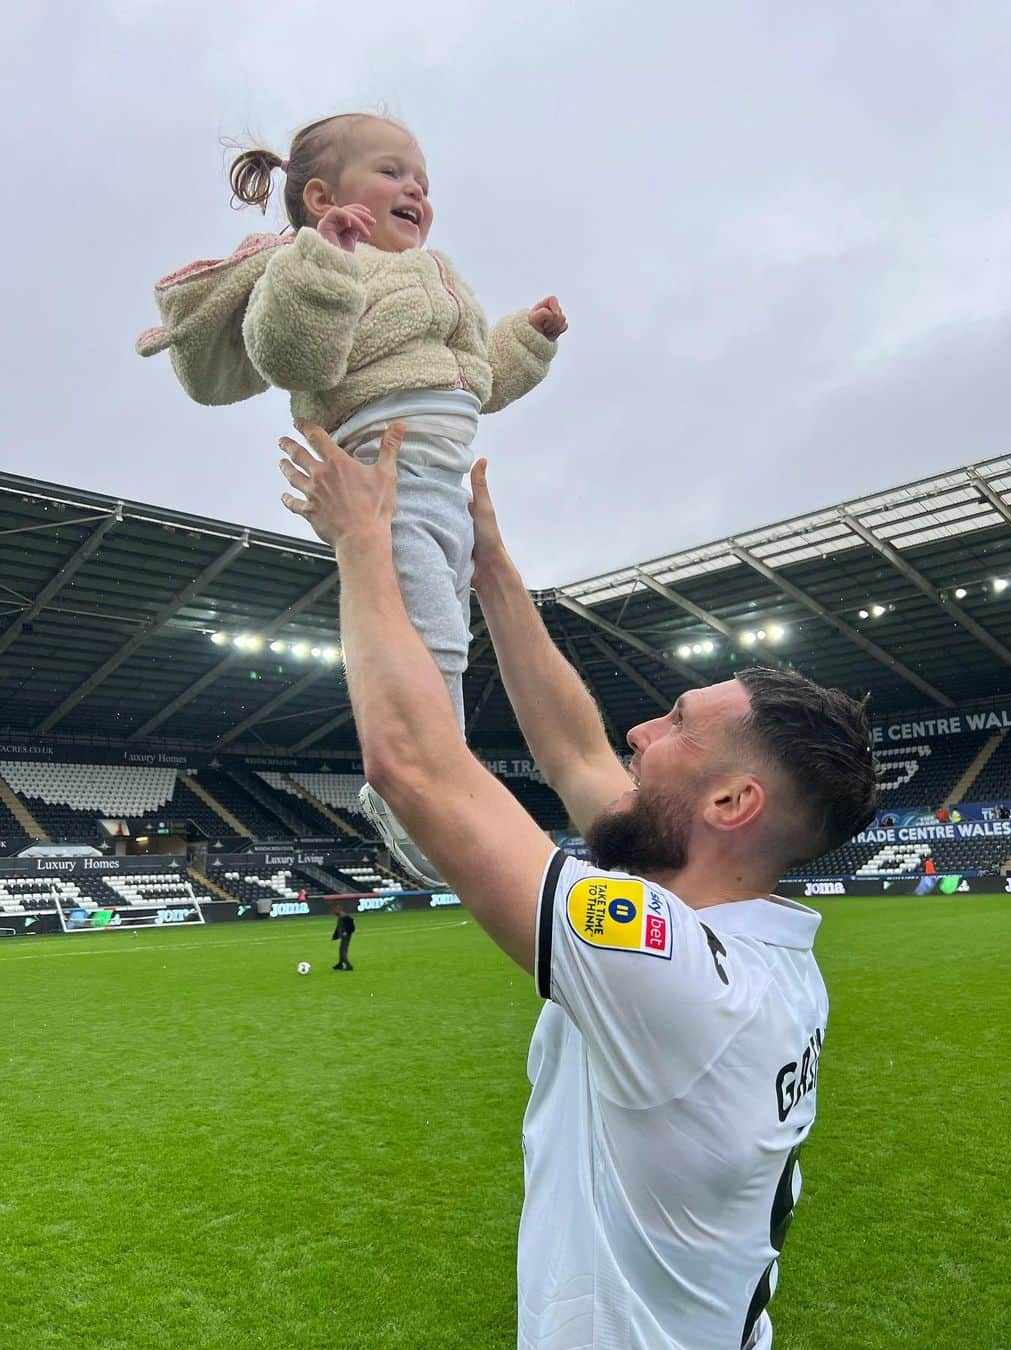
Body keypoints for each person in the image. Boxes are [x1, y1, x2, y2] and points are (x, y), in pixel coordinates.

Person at [277, 421, 880, 1349]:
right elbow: (573, 750)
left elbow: (414, 766)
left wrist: (364, 543)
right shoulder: (741, 934)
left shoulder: (679, 973)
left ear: (731, 801)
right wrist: (492, 571)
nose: (640, 730)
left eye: (679, 723)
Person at [137, 111, 567, 888]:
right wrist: (322, 264)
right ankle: (415, 803)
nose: (415, 189)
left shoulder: (439, 277)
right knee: (428, 641)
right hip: (381, 478)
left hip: (444, 487)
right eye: (393, 172)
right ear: (321, 195)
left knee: (452, 645)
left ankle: (437, 786)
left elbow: (477, 377)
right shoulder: (312, 267)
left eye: (423, 181)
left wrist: (529, 339)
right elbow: (289, 351)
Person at [331, 904, 355, 971]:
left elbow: (350, 924)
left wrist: (346, 932)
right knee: (341, 950)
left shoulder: (344, 916)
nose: (334, 912)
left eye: (335, 911)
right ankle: (340, 964)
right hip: (344, 935)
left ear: (338, 910)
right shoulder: (341, 916)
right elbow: (339, 927)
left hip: (346, 936)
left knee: (343, 951)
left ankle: (348, 966)